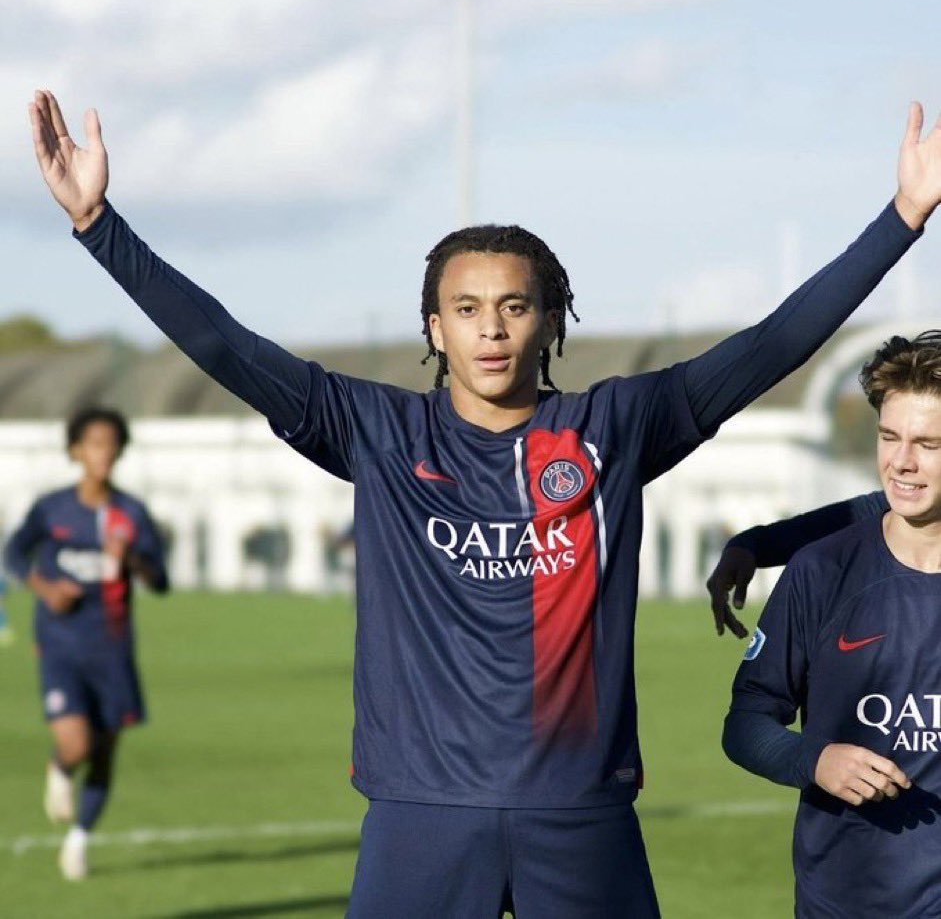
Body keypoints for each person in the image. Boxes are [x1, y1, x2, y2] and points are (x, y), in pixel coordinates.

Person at [26, 87, 941, 916]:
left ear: (549, 317)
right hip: (418, 814)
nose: (491, 328)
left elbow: (774, 341)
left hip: (579, 811)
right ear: (434, 325)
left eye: (513, 306)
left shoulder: (616, 426)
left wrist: (903, 217)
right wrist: (100, 223)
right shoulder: (372, 428)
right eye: (466, 308)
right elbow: (225, 345)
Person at [723, 330, 941, 916]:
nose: (902, 461)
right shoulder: (822, 571)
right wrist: (815, 760)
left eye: (928, 444)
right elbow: (746, 724)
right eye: (890, 436)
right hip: (842, 902)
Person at [5, 407, 169, 880]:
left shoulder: (131, 513)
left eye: (113, 442)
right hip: (59, 643)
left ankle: (78, 840)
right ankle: (59, 769)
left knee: (105, 750)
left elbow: (160, 580)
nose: (105, 451)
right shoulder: (53, 507)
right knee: (76, 743)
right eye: (95, 442)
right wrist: (44, 588)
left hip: (112, 646)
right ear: (77, 450)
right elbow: (15, 552)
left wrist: (133, 560)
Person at [706, 491, 888, 638]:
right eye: (890, 442)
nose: (901, 462)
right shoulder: (884, 509)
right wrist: (744, 547)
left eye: (918, 444)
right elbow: (811, 529)